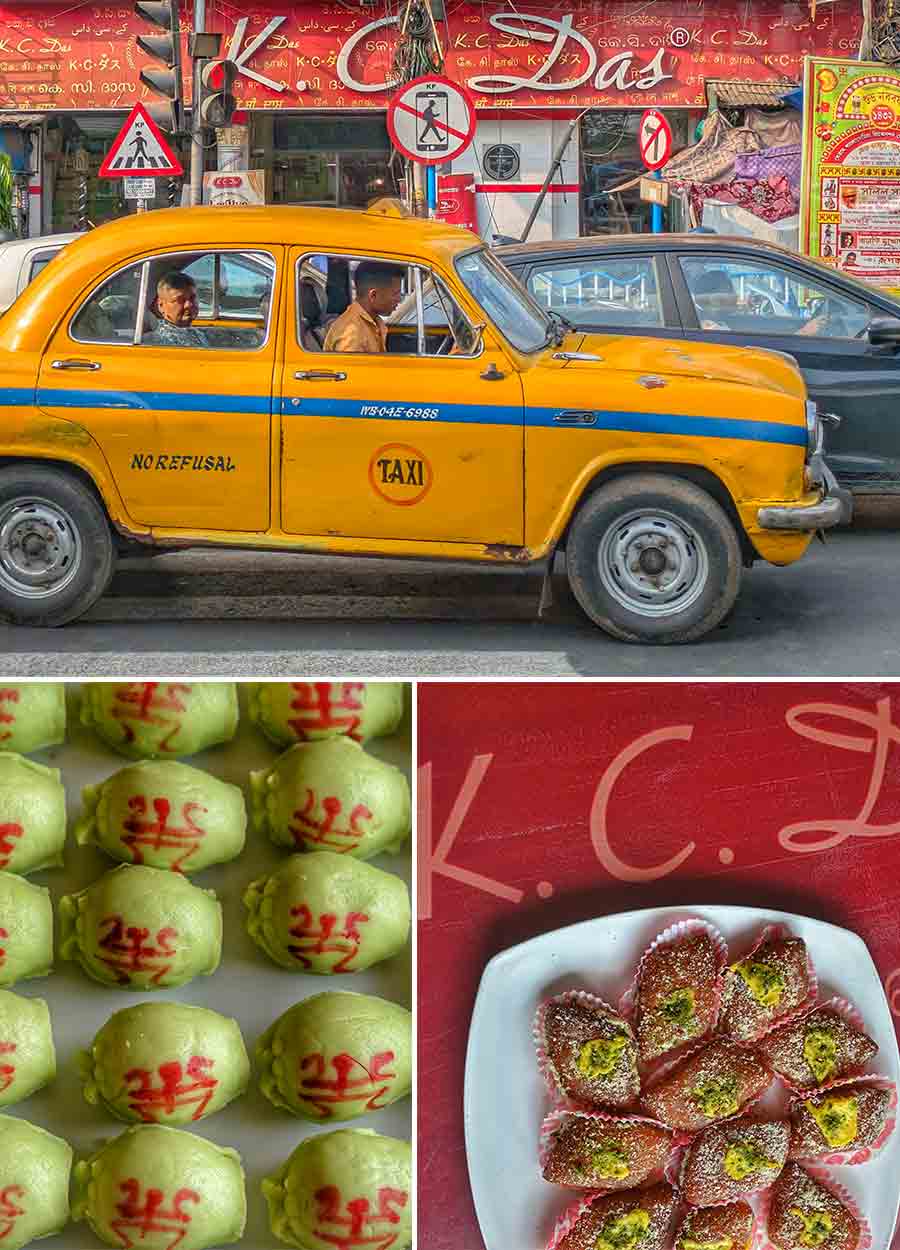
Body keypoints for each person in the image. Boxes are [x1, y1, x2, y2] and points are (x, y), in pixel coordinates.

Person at [323, 261, 404, 353]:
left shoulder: (372, 321)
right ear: (373, 295)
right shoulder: (352, 335)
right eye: (395, 294)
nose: (399, 299)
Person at [144, 272, 210, 348]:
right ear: (161, 305)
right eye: (180, 300)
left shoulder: (196, 333)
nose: (188, 305)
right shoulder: (161, 341)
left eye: (192, 298)